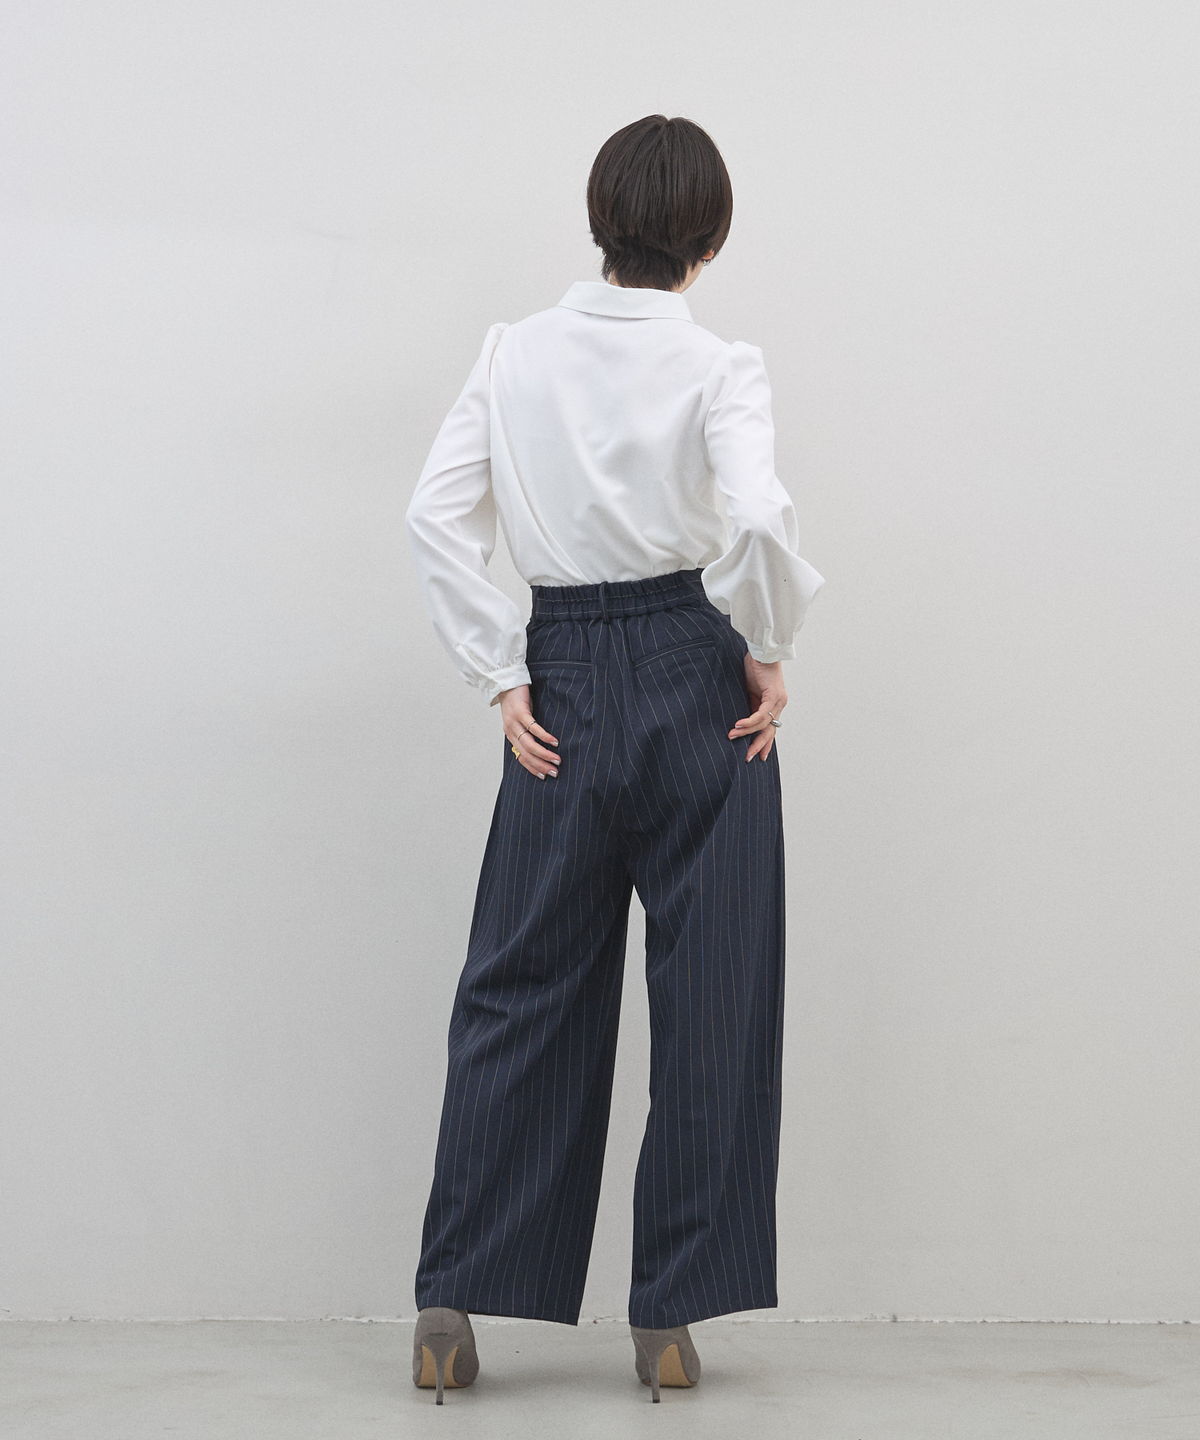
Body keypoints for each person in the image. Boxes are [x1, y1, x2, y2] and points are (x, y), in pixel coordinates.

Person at [404, 113, 826, 1403]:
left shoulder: (513, 352)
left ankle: (450, 1308)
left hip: (565, 682)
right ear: (711, 238)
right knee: (715, 995)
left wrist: (503, 673)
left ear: (600, 221)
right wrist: (765, 644)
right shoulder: (719, 365)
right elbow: (756, 517)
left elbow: (435, 514)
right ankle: (669, 1323)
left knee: (521, 987)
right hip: (698, 676)